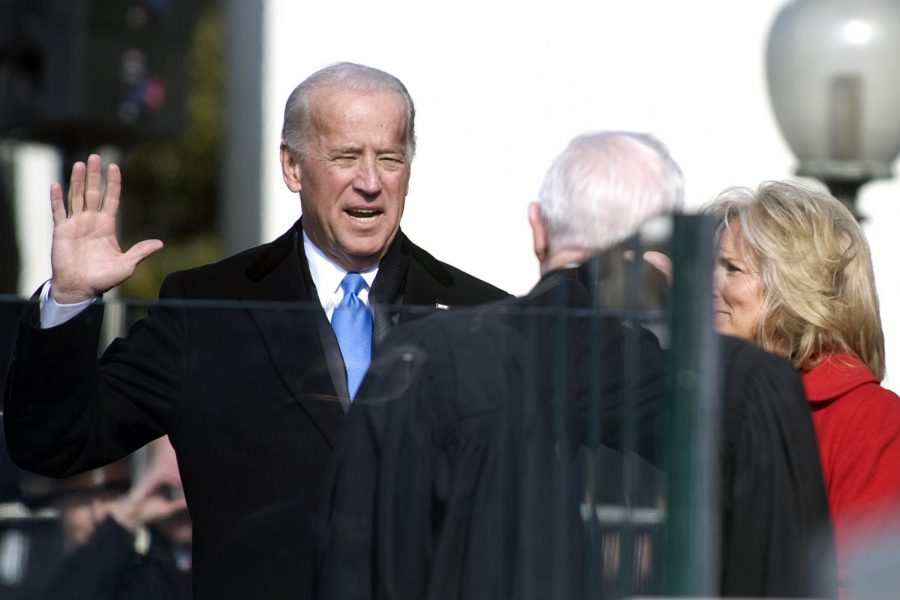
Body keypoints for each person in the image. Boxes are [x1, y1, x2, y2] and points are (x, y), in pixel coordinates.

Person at [2, 62, 508, 599]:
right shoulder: (209, 309)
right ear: (292, 167)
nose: (370, 182)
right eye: (345, 157)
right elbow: (54, 443)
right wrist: (71, 301)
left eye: (389, 159)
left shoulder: (480, 314)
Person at [318, 132, 837, 599]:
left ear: (538, 229)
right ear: (661, 251)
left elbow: (353, 566)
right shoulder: (744, 388)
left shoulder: (420, 361)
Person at [709, 181, 900, 597]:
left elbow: (867, 587)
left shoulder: (869, 420)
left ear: (793, 287)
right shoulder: (708, 403)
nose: (711, 285)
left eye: (732, 269)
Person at [36, 436, 193, 600]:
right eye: (169, 488)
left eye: (190, 485)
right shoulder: (137, 566)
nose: (181, 502)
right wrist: (123, 519)